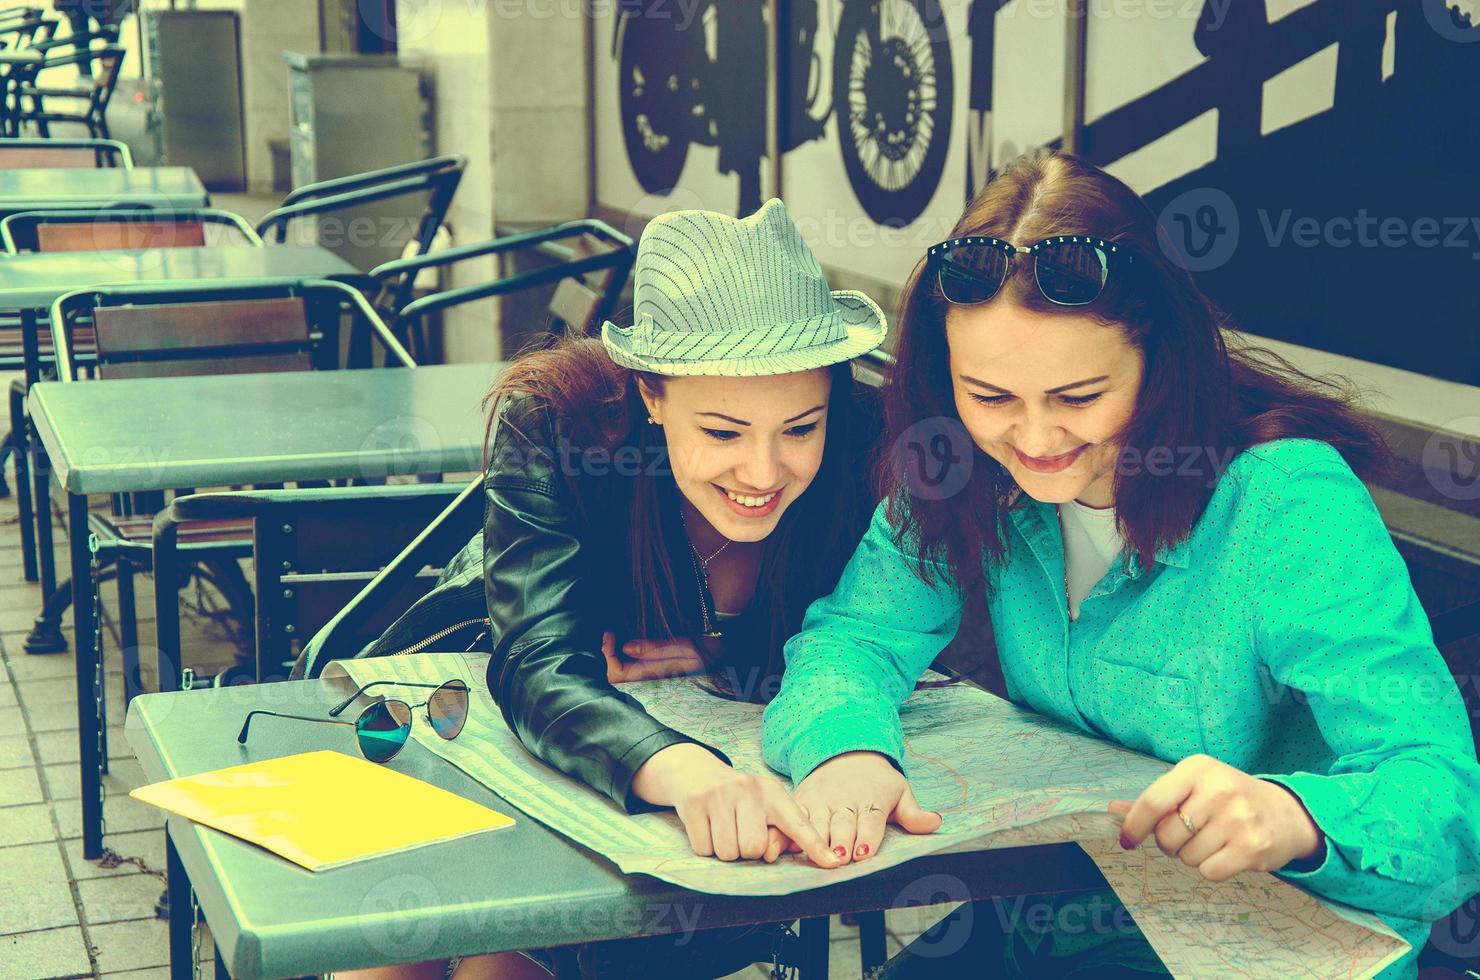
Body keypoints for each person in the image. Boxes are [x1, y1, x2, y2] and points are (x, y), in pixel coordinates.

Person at [760, 151, 1480, 978]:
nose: (1032, 440)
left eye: (1077, 398)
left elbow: (1448, 805)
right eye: (990, 397)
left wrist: (1293, 815)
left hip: (1273, 937)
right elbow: (853, 638)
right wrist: (846, 748)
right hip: (1058, 916)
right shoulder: (958, 465)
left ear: (1161, 359)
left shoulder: (1286, 502)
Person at [302, 198, 890, 979]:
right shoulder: (557, 420)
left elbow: (881, 628)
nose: (763, 471)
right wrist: (683, 768)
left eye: (801, 428)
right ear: (650, 394)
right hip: (463, 715)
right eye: (722, 432)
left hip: (689, 842)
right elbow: (536, 656)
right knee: (406, 944)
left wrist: (721, 645)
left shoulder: (873, 440)